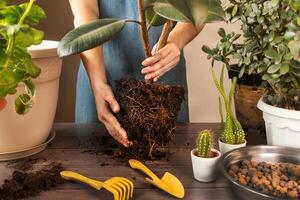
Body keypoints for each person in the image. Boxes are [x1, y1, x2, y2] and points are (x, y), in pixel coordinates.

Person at [69, 0, 204, 147]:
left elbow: (201, 7)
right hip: (100, 76)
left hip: (164, 80)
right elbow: (85, 13)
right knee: (91, 164)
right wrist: (98, 83)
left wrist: (175, 41)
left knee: (168, 161)